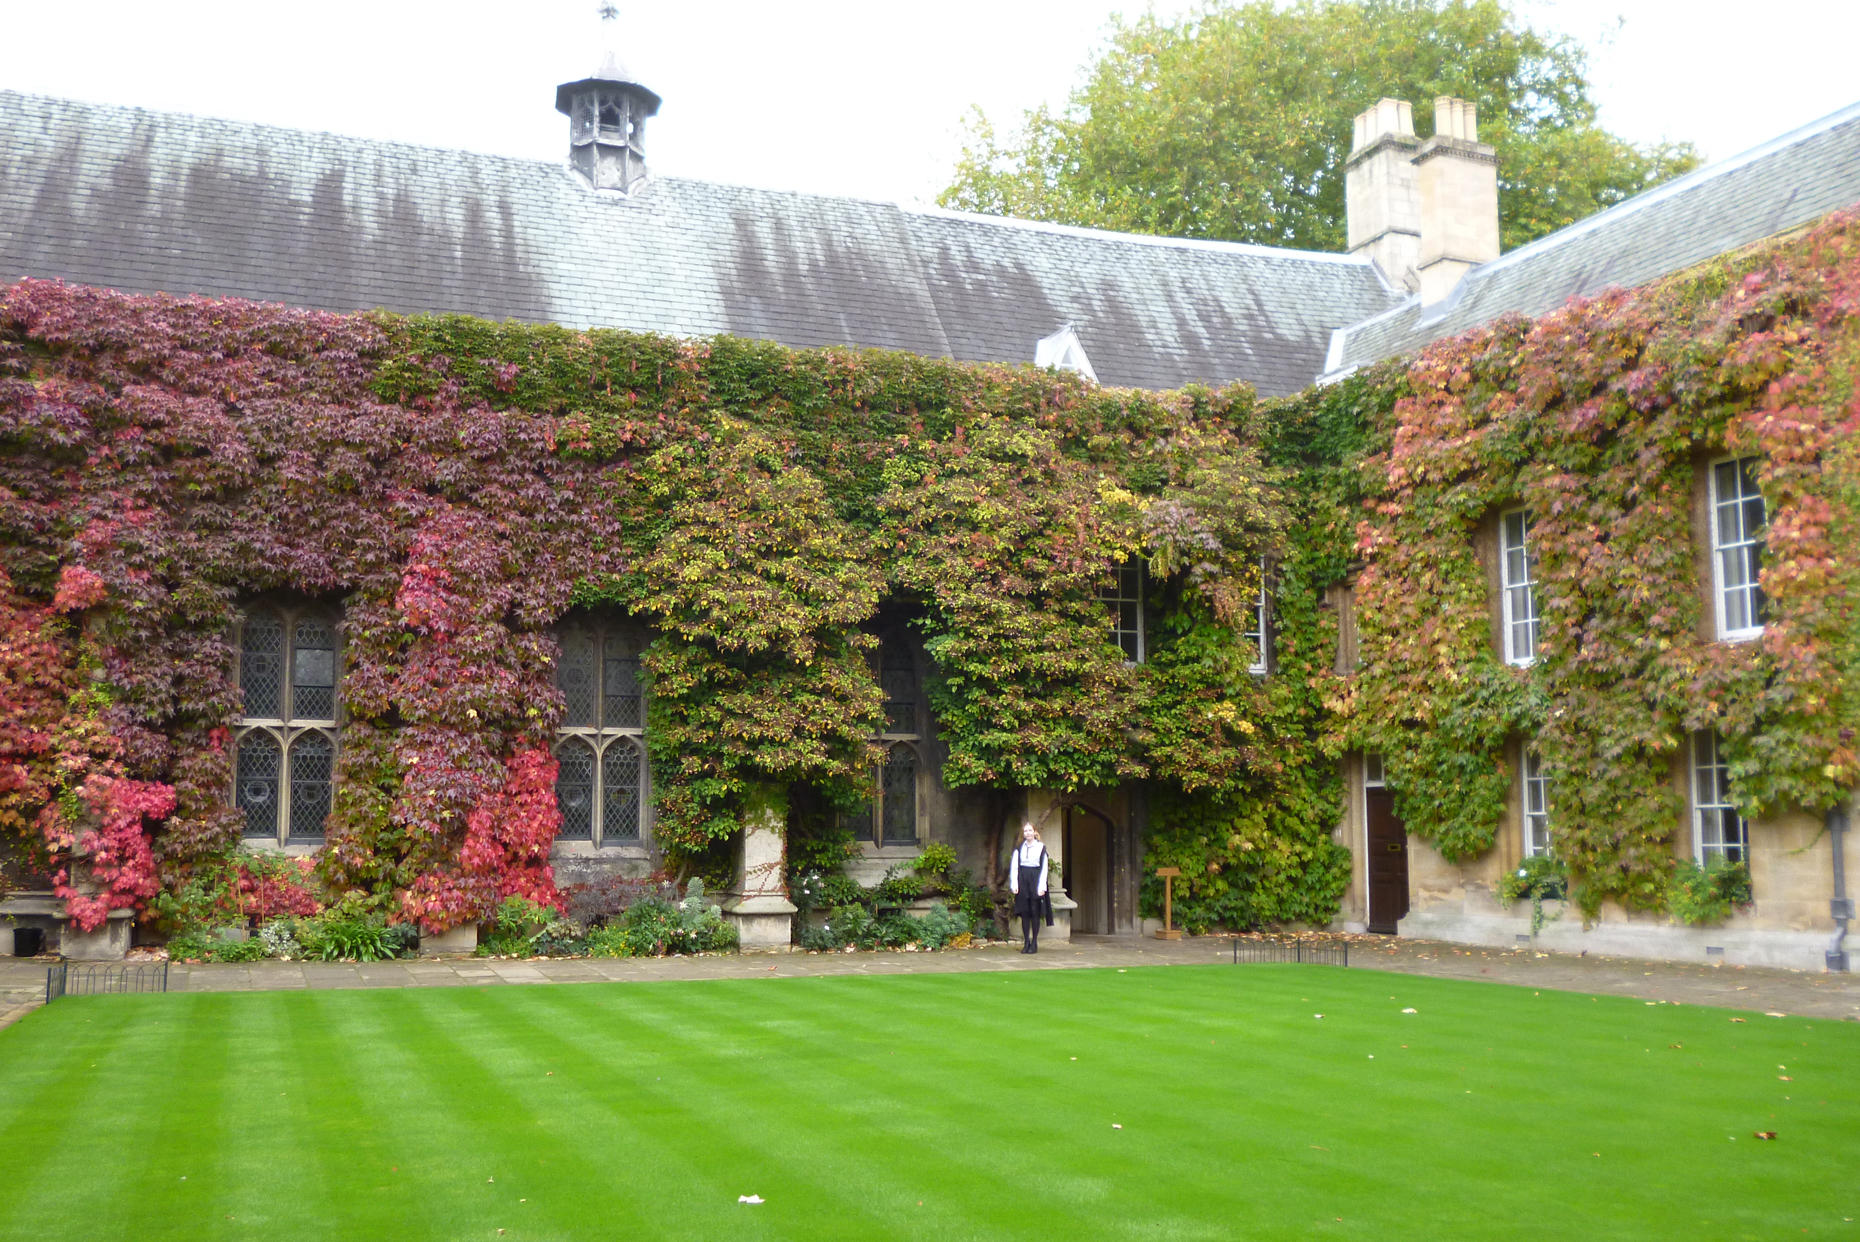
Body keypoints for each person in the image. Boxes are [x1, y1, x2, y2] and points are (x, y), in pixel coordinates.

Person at [1008, 821, 1053, 953]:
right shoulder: (1019, 848)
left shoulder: (1041, 847)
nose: (1027, 833)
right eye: (1025, 831)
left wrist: (1041, 886)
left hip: (1035, 880)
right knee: (1025, 912)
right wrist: (1014, 884)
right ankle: (1026, 942)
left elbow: (1044, 868)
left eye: (1030, 830)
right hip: (1023, 880)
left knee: (1035, 912)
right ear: (1023, 834)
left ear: (1034, 832)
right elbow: (1014, 867)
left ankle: (1034, 943)